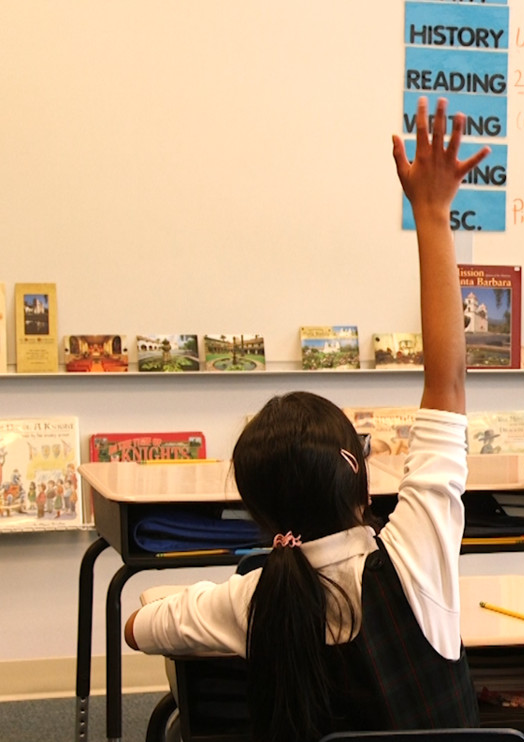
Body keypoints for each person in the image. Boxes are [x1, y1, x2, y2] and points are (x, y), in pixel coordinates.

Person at [124, 96, 491, 742]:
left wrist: (182, 602)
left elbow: (136, 628)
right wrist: (432, 214)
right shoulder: (415, 558)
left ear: (258, 512)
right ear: (361, 484)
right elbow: (450, 381)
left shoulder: (248, 601)